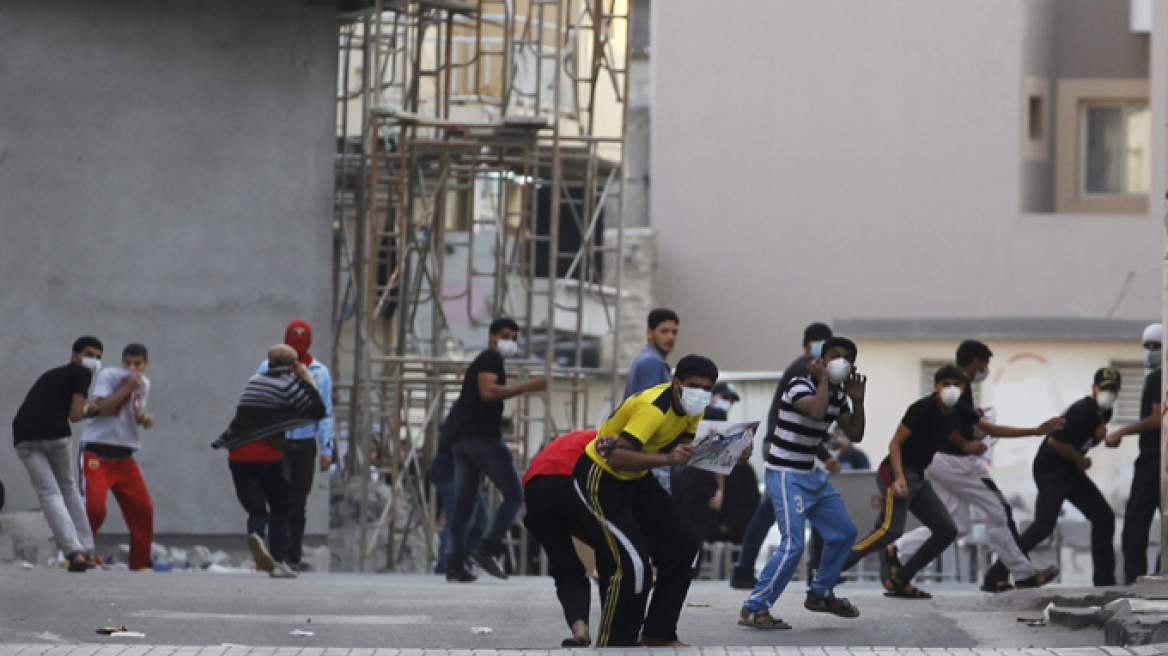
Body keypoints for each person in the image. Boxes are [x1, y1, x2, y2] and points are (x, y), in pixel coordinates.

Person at [841, 365, 1064, 598]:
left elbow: (992, 429)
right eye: (945, 384)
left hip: (920, 476)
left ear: (964, 388)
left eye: (956, 385)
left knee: (948, 530)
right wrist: (898, 478)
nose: (951, 389)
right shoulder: (922, 408)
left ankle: (900, 579)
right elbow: (895, 444)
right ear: (936, 386)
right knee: (889, 530)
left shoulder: (959, 411)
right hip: (895, 472)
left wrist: (1036, 431)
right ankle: (832, 569)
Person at [575, 355, 741, 647]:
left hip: (636, 477)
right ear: (676, 383)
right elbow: (616, 454)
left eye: (706, 388)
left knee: (684, 546)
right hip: (602, 477)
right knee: (633, 562)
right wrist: (665, 458)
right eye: (693, 386)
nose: (700, 393)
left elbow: (681, 450)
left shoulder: (695, 410)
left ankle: (658, 632)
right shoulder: (653, 408)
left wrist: (730, 451)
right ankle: (615, 642)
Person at [892, 340, 1059, 593]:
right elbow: (984, 430)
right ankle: (1023, 575)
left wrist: (974, 434)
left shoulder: (958, 395)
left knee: (956, 526)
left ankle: (898, 550)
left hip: (937, 462)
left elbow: (973, 428)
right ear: (977, 362)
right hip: (956, 463)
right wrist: (1034, 431)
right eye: (986, 363)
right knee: (999, 509)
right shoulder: (962, 390)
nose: (986, 369)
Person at [739, 337, 866, 630]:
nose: (840, 362)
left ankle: (821, 593)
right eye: (834, 356)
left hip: (811, 473)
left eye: (847, 358)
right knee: (793, 544)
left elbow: (856, 434)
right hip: (785, 473)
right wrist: (823, 380)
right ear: (820, 361)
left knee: (844, 532)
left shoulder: (839, 396)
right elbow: (815, 411)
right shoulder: (800, 383)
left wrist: (857, 399)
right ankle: (756, 607)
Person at [984, 367, 1122, 587]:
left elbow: (1082, 440)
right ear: (1094, 389)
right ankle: (996, 573)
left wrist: (1097, 440)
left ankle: (1105, 581)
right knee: (1044, 525)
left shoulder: (1104, 413)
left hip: (1069, 470)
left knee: (1104, 517)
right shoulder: (1083, 410)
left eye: (1113, 389)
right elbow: (1055, 442)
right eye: (1104, 388)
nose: (1109, 393)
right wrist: (1081, 460)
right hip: (1052, 467)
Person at [730, 322, 838, 590]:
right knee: (791, 510)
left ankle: (745, 569)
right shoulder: (803, 371)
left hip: (786, 447)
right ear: (808, 347)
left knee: (773, 512)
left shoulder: (806, 370)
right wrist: (825, 455)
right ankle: (814, 569)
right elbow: (808, 419)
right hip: (784, 449)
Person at [446, 317, 547, 582]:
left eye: (514, 337)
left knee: (464, 505)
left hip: (463, 441)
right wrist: (528, 386)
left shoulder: (486, 360)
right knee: (514, 494)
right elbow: (488, 392)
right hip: (483, 440)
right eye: (505, 335)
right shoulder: (491, 359)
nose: (509, 342)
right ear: (492, 337)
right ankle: (486, 548)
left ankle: (455, 563)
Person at [214, 344, 328, 578]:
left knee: (257, 508)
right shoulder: (289, 384)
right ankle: (277, 560)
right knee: (281, 505)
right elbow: (317, 409)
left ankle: (256, 534)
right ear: (293, 365)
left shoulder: (253, 382)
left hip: (237, 455)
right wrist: (305, 375)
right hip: (265, 454)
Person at [11, 336, 103, 572]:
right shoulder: (82, 374)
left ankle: (74, 552)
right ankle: (84, 549)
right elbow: (75, 415)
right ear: (75, 355)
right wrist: (91, 410)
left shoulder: (55, 375)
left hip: (24, 436)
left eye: (98, 357)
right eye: (89, 355)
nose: (93, 361)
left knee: (49, 493)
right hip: (56, 435)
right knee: (67, 489)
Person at [256, 319, 334, 571]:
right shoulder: (268, 367)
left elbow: (325, 412)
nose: (299, 337)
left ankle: (293, 556)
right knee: (281, 497)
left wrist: (327, 448)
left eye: (303, 334)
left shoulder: (319, 372)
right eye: (294, 334)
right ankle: (278, 552)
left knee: (298, 502)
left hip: (304, 443)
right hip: (278, 442)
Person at [523, 429, 604, 647]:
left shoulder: (578, 439)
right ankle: (616, 629)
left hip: (536, 487)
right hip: (573, 482)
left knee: (566, 565)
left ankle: (580, 629)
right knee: (612, 553)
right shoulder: (616, 439)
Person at [80, 343, 155, 571]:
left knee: (143, 509)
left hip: (124, 455)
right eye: (128, 363)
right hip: (97, 452)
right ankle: (80, 553)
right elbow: (100, 409)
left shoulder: (145, 384)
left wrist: (142, 419)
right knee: (94, 508)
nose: (132, 368)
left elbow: (129, 413)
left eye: (137, 364)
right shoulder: (110, 375)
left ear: (145, 364)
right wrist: (126, 389)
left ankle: (140, 561)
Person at [1109, 323, 1164, 584]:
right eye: (1148, 346)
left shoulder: (1157, 379)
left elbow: (1156, 419)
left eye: (1157, 346)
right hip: (1158, 460)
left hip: (1153, 460)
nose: (1151, 352)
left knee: (1135, 524)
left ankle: (1135, 579)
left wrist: (1121, 432)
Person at [671, 381, 740, 545]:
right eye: (724, 398)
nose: (727, 403)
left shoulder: (685, 412)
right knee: (695, 538)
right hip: (700, 483)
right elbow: (718, 455)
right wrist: (720, 490)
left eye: (731, 400)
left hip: (678, 476)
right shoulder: (716, 416)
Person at [624, 309, 681, 494]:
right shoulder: (653, 364)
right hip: (650, 459)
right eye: (664, 331)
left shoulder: (648, 360)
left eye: (674, 332)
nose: (670, 337)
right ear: (649, 333)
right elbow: (652, 412)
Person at [430, 400, 488, 576]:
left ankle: (460, 561)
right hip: (451, 472)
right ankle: (447, 564)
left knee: (479, 521)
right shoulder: (466, 409)